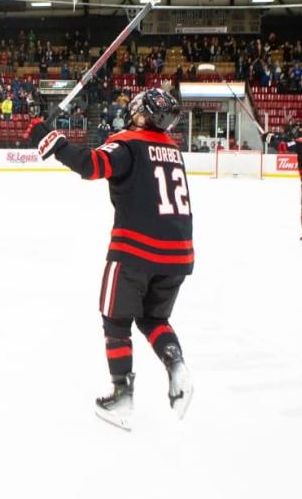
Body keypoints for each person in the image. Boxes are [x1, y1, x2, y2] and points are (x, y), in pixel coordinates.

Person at [26, 89, 194, 431]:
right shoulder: (173, 150)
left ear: (145, 115)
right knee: (153, 318)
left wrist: (48, 137)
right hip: (178, 253)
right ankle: (175, 364)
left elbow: (90, 165)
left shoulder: (129, 143)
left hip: (136, 250)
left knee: (116, 322)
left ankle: (122, 395)